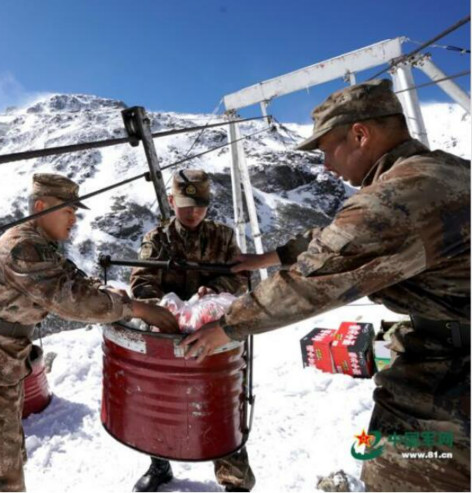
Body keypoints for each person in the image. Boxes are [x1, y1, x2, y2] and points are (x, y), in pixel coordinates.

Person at [181, 79, 470, 492]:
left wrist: (226, 325)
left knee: (404, 470)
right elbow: (338, 236)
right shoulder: (442, 170)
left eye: (325, 149)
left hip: (457, 371)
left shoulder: (395, 199)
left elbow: (312, 280)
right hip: (450, 344)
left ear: (360, 134)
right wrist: (266, 258)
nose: (324, 164)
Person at [0, 173, 178, 492]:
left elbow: (76, 281)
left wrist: (114, 294)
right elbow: (73, 301)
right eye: (68, 210)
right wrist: (136, 309)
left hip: (0, 358)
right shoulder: (22, 248)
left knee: (6, 453)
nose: (73, 218)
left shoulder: (42, 246)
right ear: (41, 207)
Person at [129, 169, 255, 492]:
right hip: (167, 335)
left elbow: (240, 276)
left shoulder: (223, 237)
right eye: (186, 205)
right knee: (160, 401)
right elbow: (141, 282)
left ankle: (234, 478)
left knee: (219, 404)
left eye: (200, 205)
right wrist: (164, 310)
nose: (193, 212)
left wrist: (213, 290)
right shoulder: (157, 240)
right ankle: (160, 464)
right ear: (172, 201)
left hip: (214, 336)